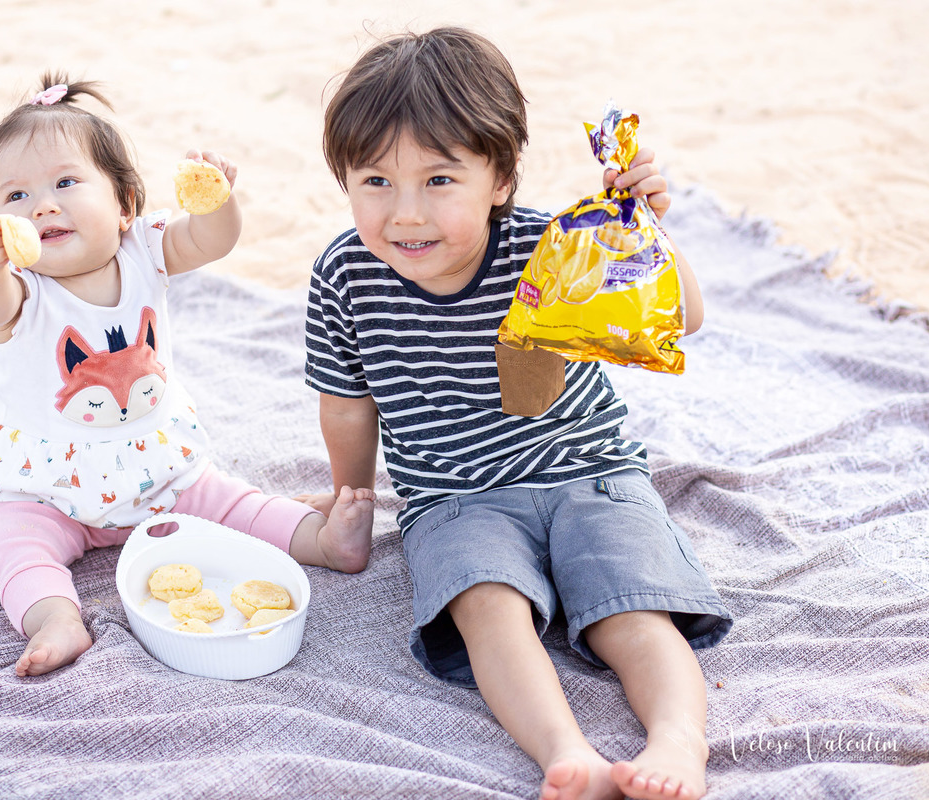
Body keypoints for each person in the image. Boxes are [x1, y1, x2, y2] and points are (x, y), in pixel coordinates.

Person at [299, 29, 732, 800]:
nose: (405, 214)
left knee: (629, 612)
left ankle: (678, 741)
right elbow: (348, 402)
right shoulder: (343, 274)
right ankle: (568, 753)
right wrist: (351, 493)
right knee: (485, 610)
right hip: (455, 497)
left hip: (589, 474)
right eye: (374, 182)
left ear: (499, 176)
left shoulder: (551, 247)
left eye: (439, 180)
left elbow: (683, 316)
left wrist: (645, 229)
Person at [0, 73, 374, 678]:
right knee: (14, 539)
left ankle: (322, 540)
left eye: (66, 183)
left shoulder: (143, 249)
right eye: (14, 197)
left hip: (158, 468)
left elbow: (210, 241)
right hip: (45, 484)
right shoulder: (21, 291)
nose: (41, 205)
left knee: (233, 502)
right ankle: (55, 617)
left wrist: (216, 202)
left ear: (125, 203)